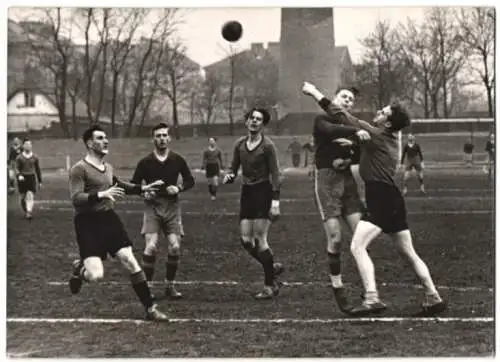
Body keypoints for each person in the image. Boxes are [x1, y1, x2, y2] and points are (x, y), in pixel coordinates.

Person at [312, 96, 446, 317]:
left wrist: (317, 94)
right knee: (408, 253)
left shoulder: (377, 134)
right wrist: (355, 143)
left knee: (357, 247)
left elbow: (344, 116)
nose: (378, 112)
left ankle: (372, 298)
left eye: (383, 112)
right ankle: (433, 297)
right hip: (392, 198)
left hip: (381, 198)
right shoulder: (389, 137)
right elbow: (370, 143)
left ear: (388, 124)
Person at [68, 125, 168, 321]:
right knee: (96, 275)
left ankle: (150, 308)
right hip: (87, 224)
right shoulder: (78, 169)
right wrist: (100, 195)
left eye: (106, 138)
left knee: (130, 260)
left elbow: (118, 184)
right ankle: (80, 268)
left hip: (108, 219)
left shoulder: (107, 167)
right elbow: (75, 198)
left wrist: (142, 188)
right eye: (100, 138)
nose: (105, 141)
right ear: (89, 143)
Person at [302, 81, 367, 313]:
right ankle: (338, 287)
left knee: (361, 236)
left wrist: (349, 158)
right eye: (343, 97)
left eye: (351, 99)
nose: (347, 101)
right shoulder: (322, 118)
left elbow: (360, 152)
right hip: (327, 181)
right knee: (336, 238)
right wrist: (355, 132)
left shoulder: (352, 125)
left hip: (347, 182)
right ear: (334, 98)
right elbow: (330, 132)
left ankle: (369, 290)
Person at [223, 107, 284, 300]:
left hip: (263, 192)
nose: (254, 121)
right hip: (247, 193)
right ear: (247, 121)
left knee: (260, 239)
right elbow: (233, 168)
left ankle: (269, 286)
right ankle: (270, 268)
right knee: (246, 240)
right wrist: (229, 176)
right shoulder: (239, 144)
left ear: (263, 124)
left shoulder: (268, 146)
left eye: (259, 119)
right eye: (252, 118)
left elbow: (276, 174)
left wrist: (275, 201)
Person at [131, 123, 195, 300]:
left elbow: (190, 180)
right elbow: (134, 185)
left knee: (175, 247)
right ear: (153, 139)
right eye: (158, 136)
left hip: (172, 207)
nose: (161, 139)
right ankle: (148, 288)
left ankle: (170, 286)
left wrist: (179, 188)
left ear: (169, 138)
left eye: (164, 135)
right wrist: (145, 190)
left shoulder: (177, 159)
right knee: (151, 247)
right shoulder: (145, 162)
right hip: (152, 207)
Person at [15, 138, 42, 219]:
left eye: (29, 144)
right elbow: (16, 168)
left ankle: (29, 212)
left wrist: (40, 181)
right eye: (26, 144)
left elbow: (37, 169)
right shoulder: (19, 157)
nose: (28, 146)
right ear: (23, 146)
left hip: (31, 178)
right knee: (23, 198)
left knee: (30, 195)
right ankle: (26, 210)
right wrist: (19, 175)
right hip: (22, 178)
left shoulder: (35, 157)